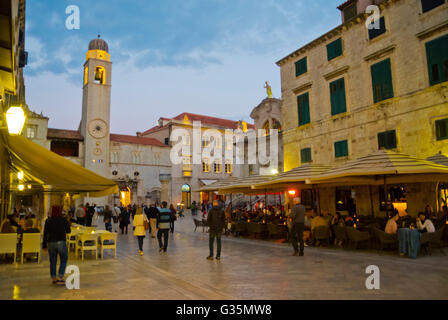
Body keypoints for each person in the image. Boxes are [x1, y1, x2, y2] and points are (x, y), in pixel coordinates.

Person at [42, 206, 71, 285]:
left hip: (50, 243)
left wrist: (44, 245)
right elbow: (68, 231)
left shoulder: (48, 220)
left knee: (53, 260)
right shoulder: (63, 219)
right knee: (64, 259)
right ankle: (60, 276)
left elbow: (45, 233)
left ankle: (54, 277)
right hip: (61, 242)